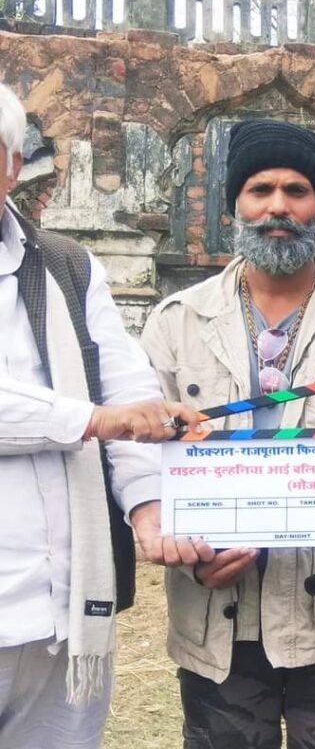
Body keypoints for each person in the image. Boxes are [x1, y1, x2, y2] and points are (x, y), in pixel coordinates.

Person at [140, 118, 315, 749]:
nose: (279, 206)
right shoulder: (176, 323)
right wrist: (187, 551)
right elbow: (144, 467)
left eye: (297, 190)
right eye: (260, 189)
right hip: (216, 619)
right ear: (234, 206)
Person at [0, 83, 206, 749]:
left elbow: (126, 386)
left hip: (63, 602)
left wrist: (148, 505)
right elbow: (111, 415)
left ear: (11, 165)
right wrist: (95, 421)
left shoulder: (64, 266)